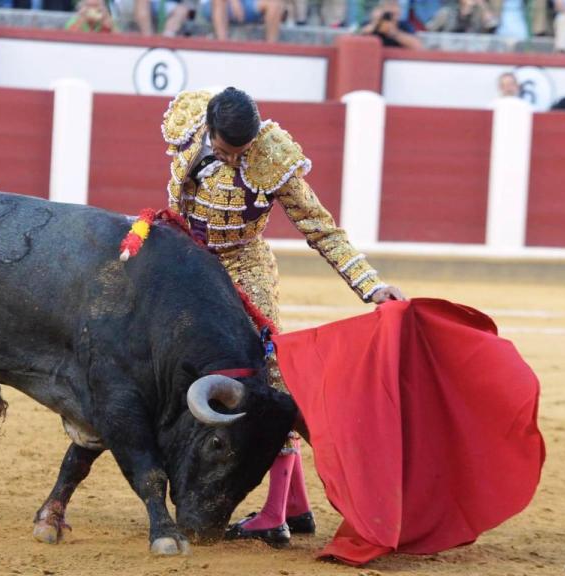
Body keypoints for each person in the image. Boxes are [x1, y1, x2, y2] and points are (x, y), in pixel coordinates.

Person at [160, 87, 406, 546]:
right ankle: (295, 505)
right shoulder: (189, 122)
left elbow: (322, 228)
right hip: (190, 267)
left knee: (272, 384)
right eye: (230, 150)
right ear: (209, 130)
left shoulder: (271, 158)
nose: (238, 159)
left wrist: (371, 286)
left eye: (244, 151)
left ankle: (273, 514)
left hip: (244, 267)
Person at [202, 0, 285, 42]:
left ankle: (270, 49)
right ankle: (223, 45)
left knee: (275, 4)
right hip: (214, 5)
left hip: (245, 5)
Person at [360, 0, 424, 50]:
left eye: (395, 6)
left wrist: (394, 33)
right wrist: (376, 25)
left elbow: (418, 47)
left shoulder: (404, 26)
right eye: (388, 6)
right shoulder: (369, 24)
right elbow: (356, 40)